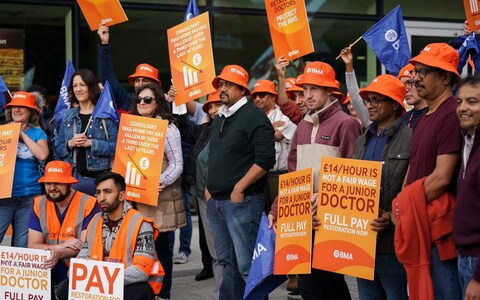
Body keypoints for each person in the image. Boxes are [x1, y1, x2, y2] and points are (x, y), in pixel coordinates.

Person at [269, 61, 362, 300]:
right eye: (304, 90)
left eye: (314, 89)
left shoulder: (346, 124)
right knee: (318, 282)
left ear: (330, 92)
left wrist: (325, 197)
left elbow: (354, 175)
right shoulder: (303, 126)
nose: (307, 96)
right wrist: (278, 207)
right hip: (302, 216)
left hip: (331, 219)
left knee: (324, 282)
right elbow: (292, 174)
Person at [396, 43, 462, 299]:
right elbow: (413, 166)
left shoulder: (451, 114)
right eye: (416, 71)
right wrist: (401, 207)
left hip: (438, 230)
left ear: (445, 77)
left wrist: (403, 205)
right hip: (417, 221)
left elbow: (441, 178)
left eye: (424, 72)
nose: (416, 77)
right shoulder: (424, 116)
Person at [206, 64, 276, 300]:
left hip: (241, 203)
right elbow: (215, 157)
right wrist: (209, 189)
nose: (222, 89)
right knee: (228, 264)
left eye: (227, 85)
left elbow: (266, 159)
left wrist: (239, 188)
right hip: (217, 203)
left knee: (248, 267)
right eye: (220, 85)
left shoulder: (254, 116)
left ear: (242, 89)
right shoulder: (221, 118)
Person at [55, 172, 163, 300]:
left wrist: (102, 281)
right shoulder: (95, 221)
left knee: (135, 293)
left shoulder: (141, 223)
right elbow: (83, 257)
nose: (101, 197)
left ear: (122, 195)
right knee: (64, 289)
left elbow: (141, 272)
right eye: (98, 192)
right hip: (100, 282)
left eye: (107, 192)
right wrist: (76, 274)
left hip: (130, 283)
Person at [353, 74, 410, 299]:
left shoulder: (411, 138)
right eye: (368, 100)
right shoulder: (361, 140)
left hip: (392, 244)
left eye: (377, 100)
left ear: (395, 104)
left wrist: (392, 214)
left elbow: (414, 185)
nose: (370, 105)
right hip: (360, 241)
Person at [132, 83, 185, 300]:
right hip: (137, 197)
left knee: (160, 246)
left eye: (148, 99)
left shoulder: (168, 128)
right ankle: (144, 290)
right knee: (141, 246)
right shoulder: (133, 127)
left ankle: (163, 293)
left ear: (158, 103)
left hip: (160, 198)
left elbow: (177, 164)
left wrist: (159, 181)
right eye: (139, 100)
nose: (142, 103)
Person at [27, 160, 99, 298]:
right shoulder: (39, 203)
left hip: (78, 266)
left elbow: (85, 247)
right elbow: (32, 245)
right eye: (48, 183)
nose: (52, 187)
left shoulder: (89, 203)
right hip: (48, 264)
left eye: (58, 183)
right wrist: (62, 246)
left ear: (69, 183)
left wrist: (56, 252)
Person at [179, 91, 224, 299]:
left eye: (217, 105)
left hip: (221, 196)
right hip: (201, 195)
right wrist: (177, 103)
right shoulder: (205, 128)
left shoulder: (230, 128)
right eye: (210, 107)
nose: (213, 110)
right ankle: (220, 292)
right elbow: (185, 129)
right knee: (214, 248)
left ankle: (224, 292)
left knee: (222, 249)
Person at [55, 69, 118, 196]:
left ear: (91, 86)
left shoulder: (105, 115)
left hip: (101, 181)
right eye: (74, 86)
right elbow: (58, 150)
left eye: (82, 85)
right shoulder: (68, 115)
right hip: (74, 181)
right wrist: (70, 144)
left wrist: (92, 143)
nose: (78, 89)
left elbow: (117, 147)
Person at [0, 91, 49, 247]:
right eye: (14, 107)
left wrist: (21, 134)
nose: (17, 110)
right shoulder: (2, 132)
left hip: (29, 197)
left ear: (31, 112)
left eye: (22, 107)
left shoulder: (37, 133)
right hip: (3, 197)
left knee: (22, 245)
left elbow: (42, 155)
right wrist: (11, 132)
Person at [251, 79, 296, 213]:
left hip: (279, 176)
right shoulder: (252, 116)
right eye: (255, 96)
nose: (258, 99)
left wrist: (257, 133)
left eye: (262, 95)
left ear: (273, 97)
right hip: (256, 176)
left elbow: (278, 136)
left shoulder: (283, 115)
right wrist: (271, 128)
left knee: (280, 217)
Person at [453, 75, 480, 298]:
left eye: (472, 102)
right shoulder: (467, 140)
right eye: (459, 101)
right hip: (464, 256)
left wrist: (479, 278)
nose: (463, 108)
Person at [97, 23, 164, 113]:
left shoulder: (165, 104)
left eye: (145, 80)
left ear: (155, 85)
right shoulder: (126, 100)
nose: (140, 84)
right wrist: (104, 45)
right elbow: (107, 77)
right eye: (137, 80)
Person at [340, 47, 371, 128]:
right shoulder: (345, 125)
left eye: (377, 101)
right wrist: (348, 66)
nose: (372, 106)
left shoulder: (370, 124)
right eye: (348, 103)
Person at [397, 63, 428, 128]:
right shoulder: (402, 120)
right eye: (402, 85)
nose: (405, 90)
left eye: (409, 82)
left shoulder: (438, 114)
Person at [275, 55, 304, 124]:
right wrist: (281, 77)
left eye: (302, 94)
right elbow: (285, 105)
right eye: (294, 96)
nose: (297, 101)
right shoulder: (300, 114)